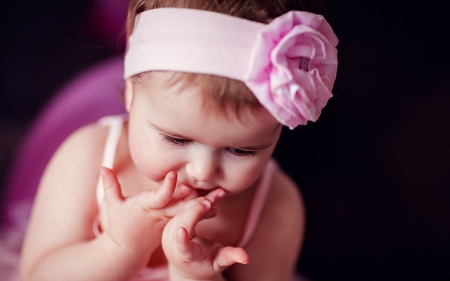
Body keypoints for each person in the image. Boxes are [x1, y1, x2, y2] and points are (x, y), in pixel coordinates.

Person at [20, 0, 338, 280]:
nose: (202, 170)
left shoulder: (275, 204)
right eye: (177, 139)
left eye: (241, 150)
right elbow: (37, 275)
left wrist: (193, 275)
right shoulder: (89, 156)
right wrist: (120, 247)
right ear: (130, 92)